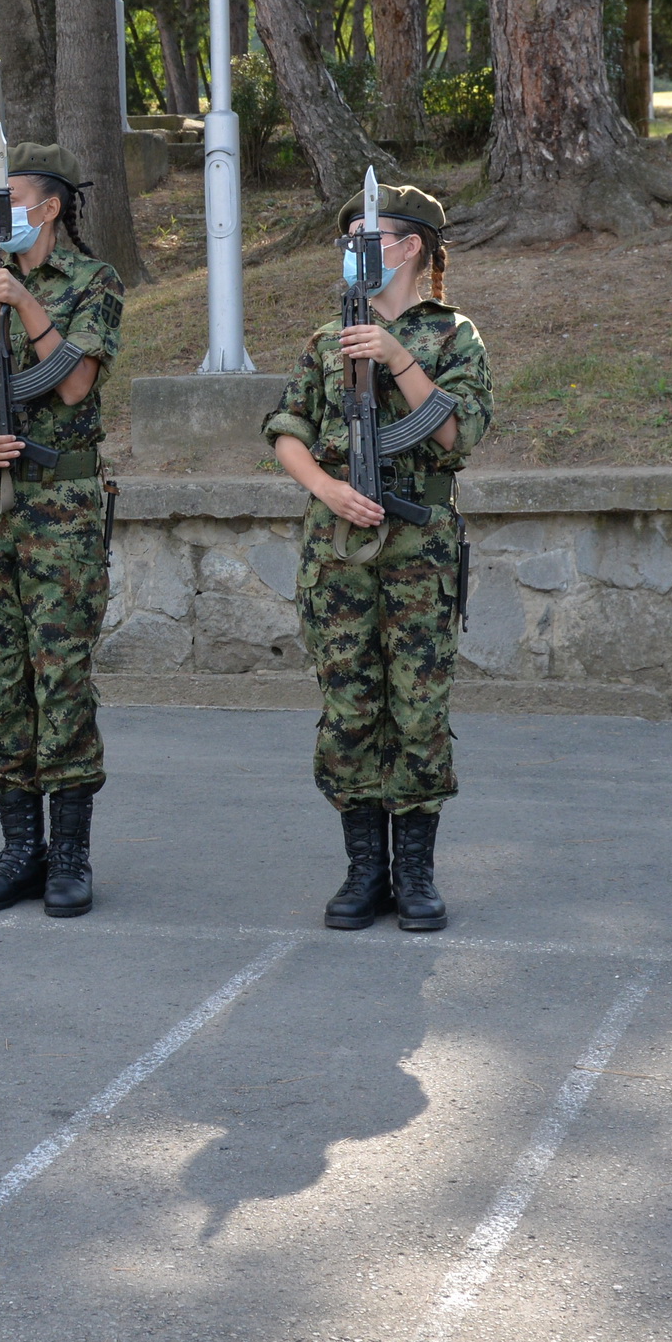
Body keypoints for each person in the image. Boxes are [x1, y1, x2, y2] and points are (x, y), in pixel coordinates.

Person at [262, 183, 490, 933]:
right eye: (348, 239)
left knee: (418, 712)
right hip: (340, 553)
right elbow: (286, 428)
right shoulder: (328, 338)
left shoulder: (454, 336)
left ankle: (415, 874)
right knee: (350, 709)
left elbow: (458, 436)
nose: (353, 250)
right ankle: (365, 871)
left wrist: (396, 357)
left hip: (419, 549)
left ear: (412, 245)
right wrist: (327, 487)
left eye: (368, 236)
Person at [0, 142, 125, 919]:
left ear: (48, 208)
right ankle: (17, 848)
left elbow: (74, 384)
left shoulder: (92, 283)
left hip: (62, 514)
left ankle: (69, 854)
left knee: (62, 679)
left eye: (9, 199)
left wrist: (27, 304)